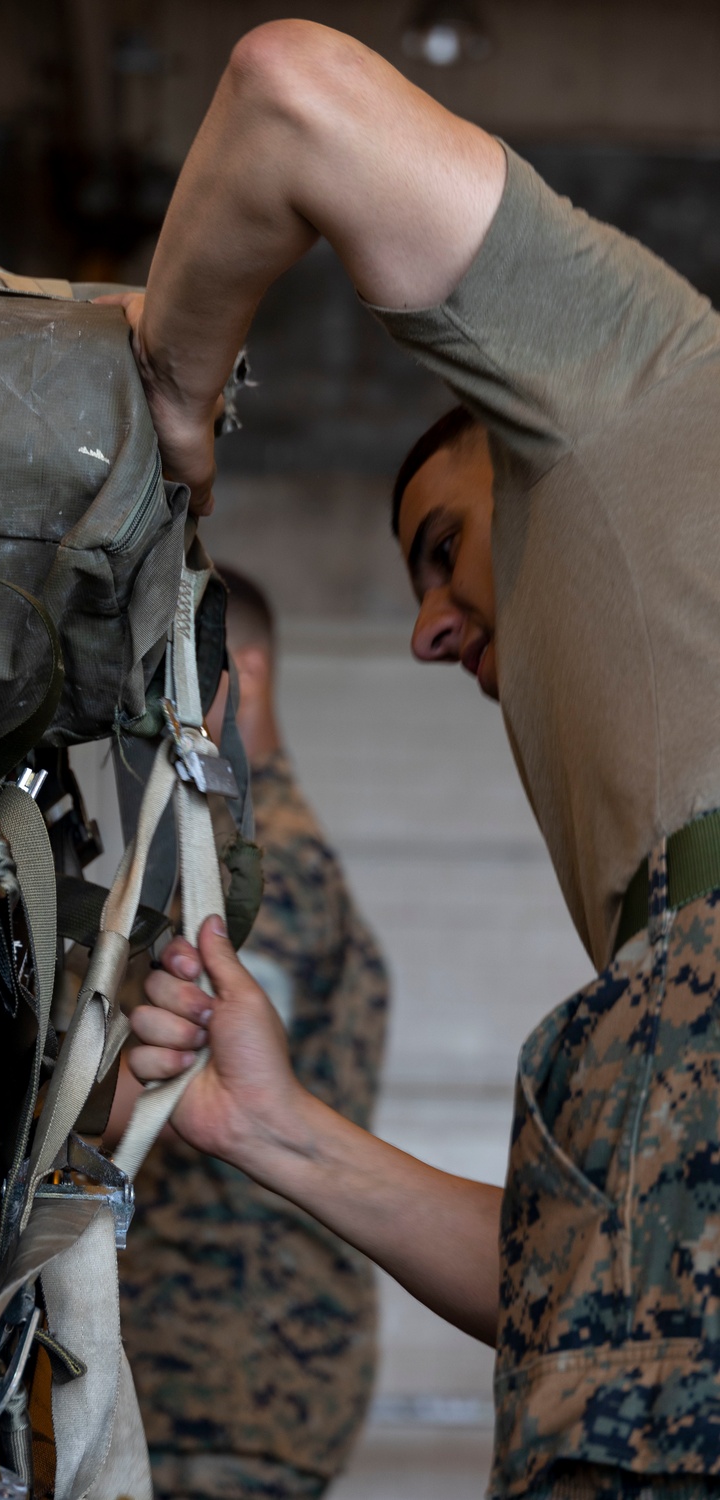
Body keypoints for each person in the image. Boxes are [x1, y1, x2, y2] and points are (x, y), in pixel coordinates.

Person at [104, 18, 720, 1499]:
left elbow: (291, 92)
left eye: (445, 556)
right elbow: (591, 1305)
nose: (430, 637)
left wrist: (170, 405)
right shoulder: (659, 926)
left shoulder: (650, 393)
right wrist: (280, 1131)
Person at [107, 566, 389, 1500]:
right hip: (233, 1354)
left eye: (182, 684)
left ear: (248, 677)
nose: (159, 714)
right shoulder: (244, 856)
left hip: (232, 1361)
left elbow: (175, 1086)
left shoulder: (270, 877)